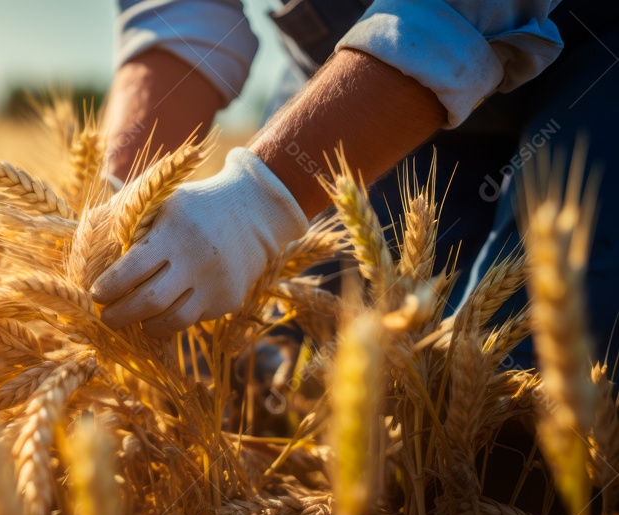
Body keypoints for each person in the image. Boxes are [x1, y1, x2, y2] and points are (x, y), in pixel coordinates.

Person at [94, 0, 619, 368]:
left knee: (528, 371)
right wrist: (121, 195)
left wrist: (259, 199)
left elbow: (467, 8)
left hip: (596, 53)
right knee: (297, 356)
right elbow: (180, 17)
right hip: (361, 74)